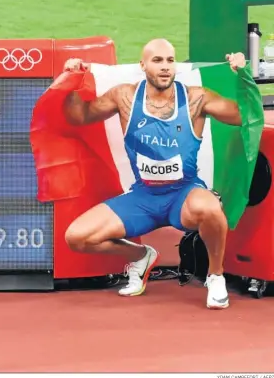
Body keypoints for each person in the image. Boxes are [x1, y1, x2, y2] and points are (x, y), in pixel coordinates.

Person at [61, 38, 246, 310]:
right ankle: (141, 255)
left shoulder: (196, 98)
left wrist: (242, 76)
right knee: (76, 237)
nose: (165, 67)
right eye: (157, 60)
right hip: (144, 197)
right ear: (143, 65)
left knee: (210, 208)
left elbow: (244, 116)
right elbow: (79, 116)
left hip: (183, 194)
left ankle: (215, 276)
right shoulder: (124, 96)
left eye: (170, 61)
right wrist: (71, 79)